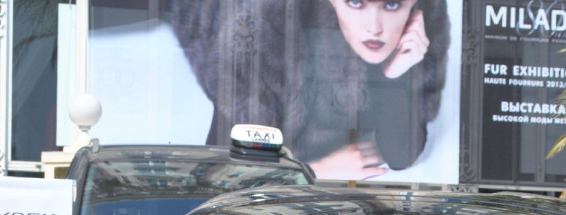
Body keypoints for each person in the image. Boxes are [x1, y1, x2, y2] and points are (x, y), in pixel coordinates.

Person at [173, 0, 450, 180]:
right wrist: (316, 171)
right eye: (356, 3)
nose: (374, 28)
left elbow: (401, 155)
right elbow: (223, 172)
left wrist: (396, 74)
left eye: (391, 5)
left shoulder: (417, 36)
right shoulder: (268, 34)